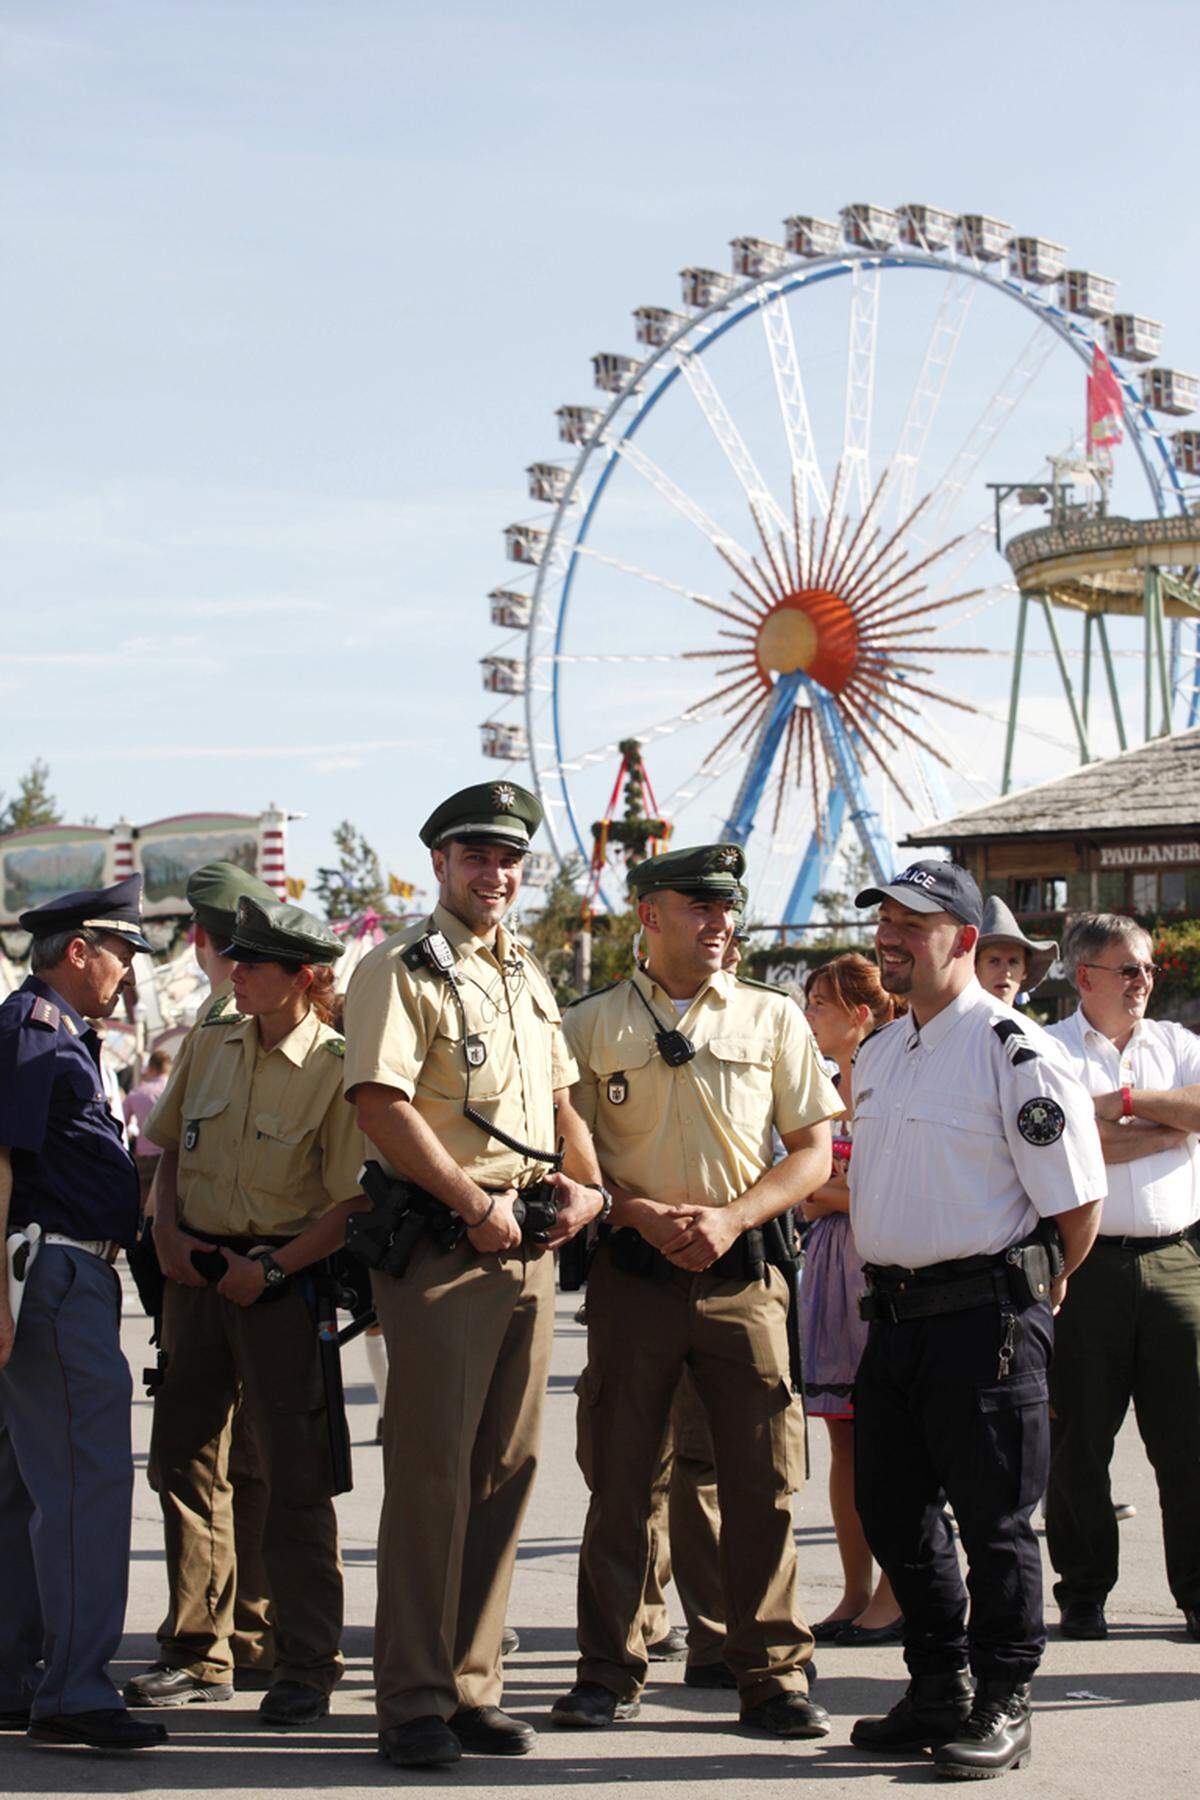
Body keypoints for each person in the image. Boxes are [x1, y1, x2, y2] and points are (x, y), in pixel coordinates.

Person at [550, 843, 840, 1742]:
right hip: (633, 1280)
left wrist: (732, 1218)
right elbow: (569, 1152)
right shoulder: (588, 1024)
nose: (720, 924)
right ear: (649, 916)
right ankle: (607, 1671)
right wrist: (631, 1213)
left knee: (764, 1484)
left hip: (742, 1279)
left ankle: (774, 1678)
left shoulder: (774, 1018)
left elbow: (812, 1152)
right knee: (620, 1482)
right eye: (699, 907)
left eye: (727, 909)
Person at [342, 780, 602, 1770]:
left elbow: (565, 1106)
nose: (495, 874)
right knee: (432, 1476)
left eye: (509, 860)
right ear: (441, 865)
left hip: (529, 1250)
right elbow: (380, 1103)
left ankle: (470, 1686)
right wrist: (473, 1203)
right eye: (475, 857)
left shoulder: (528, 976)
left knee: (504, 1472)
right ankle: (410, 1696)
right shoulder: (400, 971)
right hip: (450, 1252)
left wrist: (590, 1188)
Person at [846, 860, 1105, 1780]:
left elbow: (1076, 1203)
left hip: (983, 1321)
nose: (892, 939)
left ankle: (1004, 1696)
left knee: (995, 1522)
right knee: (891, 1508)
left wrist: (1037, 1289)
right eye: (886, 923)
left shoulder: (1014, 1049)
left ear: (961, 938)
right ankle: (938, 1683)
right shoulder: (878, 1052)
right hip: (897, 1322)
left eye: (914, 926)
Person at [128, 896, 366, 1728]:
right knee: (184, 1464)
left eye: (254, 963)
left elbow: (348, 1205)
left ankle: (307, 1661)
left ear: (303, 977)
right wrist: (163, 1232)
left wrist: (269, 1272)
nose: (236, 971)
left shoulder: (340, 1067)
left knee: (296, 1479)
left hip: (279, 1288)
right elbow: (163, 1151)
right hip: (193, 1278)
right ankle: (198, 1651)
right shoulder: (212, 1041)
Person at [0, 877, 167, 1751]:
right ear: (79, 951)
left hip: (52, 1272)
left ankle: (14, 1673)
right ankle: (71, 1690)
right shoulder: (34, 1034)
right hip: (54, 1276)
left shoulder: (58, 1033)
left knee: (25, 1485)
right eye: (122, 954)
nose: (127, 974)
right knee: (84, 1485)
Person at [131, 858, 285, 1702]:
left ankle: (204, 1645)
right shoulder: (237, 1028)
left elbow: (161, 1154)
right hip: (222, 1272)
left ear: (201, 940)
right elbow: (170, 1146)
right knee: (246, 1461)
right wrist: (163, 1228)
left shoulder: (225, 1026)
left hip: (242, 1276)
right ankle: (246, 1633)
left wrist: (164, 1229)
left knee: (200, 1462)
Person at [1044, 913, 1200, 1644]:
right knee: (1080, 1439)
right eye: (1128, 969)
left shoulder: (1176, 1044)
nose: (1143, 981)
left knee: (1189, 1439)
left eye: (1147, 969)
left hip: (1176, 1260)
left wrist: (1129, 1104)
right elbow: (1067, 1142)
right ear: (1085, 977)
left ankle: (1197, 1593)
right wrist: (1169, 1131)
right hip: (1087, 1264)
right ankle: (1083, 1592)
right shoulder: (1049, 1050)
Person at [800, 954, 903, 1645]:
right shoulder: (821, 1085)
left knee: (894, 1436)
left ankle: (899, 1592)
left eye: (818, 1005)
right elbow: (805, 1190)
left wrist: (830, 1189)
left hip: (879, 1261)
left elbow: (885, 1182)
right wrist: (832, 1188)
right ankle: (854, 1588)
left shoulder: (889, 1079)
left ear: (858, 1016)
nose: (808, 1017)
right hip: (833, 1261)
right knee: (843, 1436)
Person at [975, 898, 1057, 1010]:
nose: (1005, 972)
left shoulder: (1028, 1028)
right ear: (975, 969)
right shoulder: (953, 1026)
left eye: (1013, 961)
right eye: (994, 961)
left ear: (1025, 971)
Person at [124, 1048, 172, 1204]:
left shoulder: (137, 1093)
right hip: (172, 1157)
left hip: (145, 1159)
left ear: (151, 1068)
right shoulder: (176, 1090)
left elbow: (120, 1123)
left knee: (143, 1206)